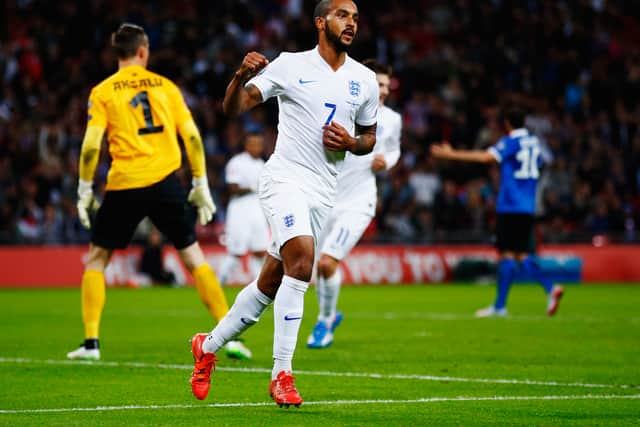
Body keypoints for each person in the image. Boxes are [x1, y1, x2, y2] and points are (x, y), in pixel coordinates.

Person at [188, 0, 378, 407]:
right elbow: (233, 108)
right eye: (343, 15)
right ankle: (282, 374)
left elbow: (369, 139)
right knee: (303, 262)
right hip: (284, 179)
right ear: (320, 22)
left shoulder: (364, 80)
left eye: (356, 18)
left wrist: (352, 143)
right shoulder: (290, 65)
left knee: (270, 285)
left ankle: (207, 346)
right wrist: (240, 75)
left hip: (324, 192)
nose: (351, 24)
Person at [67, 23, 251, 361]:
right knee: (193, 258)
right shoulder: (166, 88)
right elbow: (193, 138)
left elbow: (92, 145)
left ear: (118, 53)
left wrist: (83, 188)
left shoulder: (103, 91)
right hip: (166, 181)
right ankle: (231, 337)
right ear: (143, 51)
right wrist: (200, 184)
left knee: (97, 259)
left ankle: (91, 343)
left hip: (124, 183)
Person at [431, 107, 564, 318]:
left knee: (507, 255)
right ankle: (548, 289)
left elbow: (486, 157)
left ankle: (502, 306)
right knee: (520, 255)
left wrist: (451, 154)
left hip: (510, 206)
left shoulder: (511, 141)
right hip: (528, 206)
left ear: (507, 124)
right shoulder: (534, 143)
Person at [307, 59, 401, 348]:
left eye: (386, 85)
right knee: (312, 271)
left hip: (358, 202)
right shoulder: (341, 108)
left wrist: (388, 161)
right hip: (325, 199)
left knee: (326, 262)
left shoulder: (392, 119)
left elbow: (395, 149)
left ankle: (325, 321)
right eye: (378, 84)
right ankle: (329, 314)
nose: (383, 90)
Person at [217, 132, 269, 286]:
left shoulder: (262, 164)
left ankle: (259, 287)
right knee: (237, 252)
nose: (256, 147)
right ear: (247, 145)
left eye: (259, 144)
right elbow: (232, 188)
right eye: (253, 143)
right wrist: (254, 187)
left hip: (258, 209)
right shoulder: (236, 162)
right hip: (240, 210)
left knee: (260, 252)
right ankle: (219, 282)